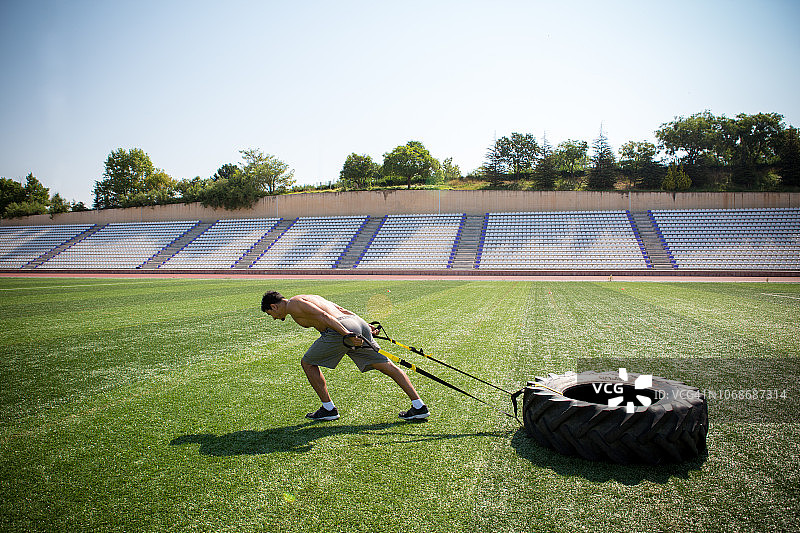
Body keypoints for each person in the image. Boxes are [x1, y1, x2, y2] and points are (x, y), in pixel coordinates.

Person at [261, 290, 429, 421]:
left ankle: (328, 409)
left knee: (307, 363)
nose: (275, 318)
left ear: (274, 306)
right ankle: (419, 406)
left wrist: (347, 334)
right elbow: (341, 309)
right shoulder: (309, 297)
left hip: (340, 330)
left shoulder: (294, 304)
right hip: (354, 322)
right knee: (386, 365)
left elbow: (324, 316)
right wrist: (365, 326)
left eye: (271, 314)